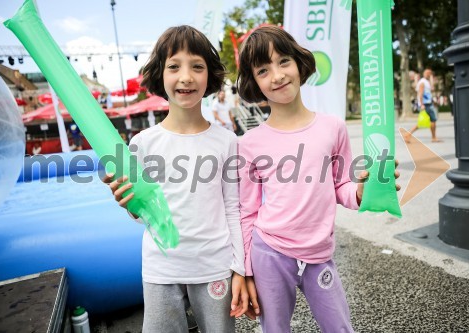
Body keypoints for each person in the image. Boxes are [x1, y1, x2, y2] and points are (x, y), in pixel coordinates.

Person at [236, 26, 400, 332]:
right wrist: (246, 270)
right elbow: (248, 212)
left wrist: (363, 193)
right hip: (269, 253)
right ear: (254, 82)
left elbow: (342, 186)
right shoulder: (249, 143)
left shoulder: (332, 128)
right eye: (263, 69)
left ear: (299, 64)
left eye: (283, 61)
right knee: (275, 329)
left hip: (319, 254)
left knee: (340, 327)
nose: (277, 75)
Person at [103, 25, 248, 333]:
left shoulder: (226, 141)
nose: (186, 76)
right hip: (161, 267)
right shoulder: (143, 144)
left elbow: (234, 209)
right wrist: (128, 202)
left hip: (215, 267)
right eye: (174, 66)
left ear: (210, 76)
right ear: (160, 74)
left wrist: (240, 269)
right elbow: (140, 213)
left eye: (197, 66)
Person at [404, 69, 442, 143]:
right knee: (432, 120)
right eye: (430, 74)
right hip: (426, 104)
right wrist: (421, 104)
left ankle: (408, 134)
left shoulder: (425, 82)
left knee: (424, 121)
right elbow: (420, 94)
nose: (431, 75)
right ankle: (433, 137)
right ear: (427, 74)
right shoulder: (422, 82)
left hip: (427, 103)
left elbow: (431, 89)